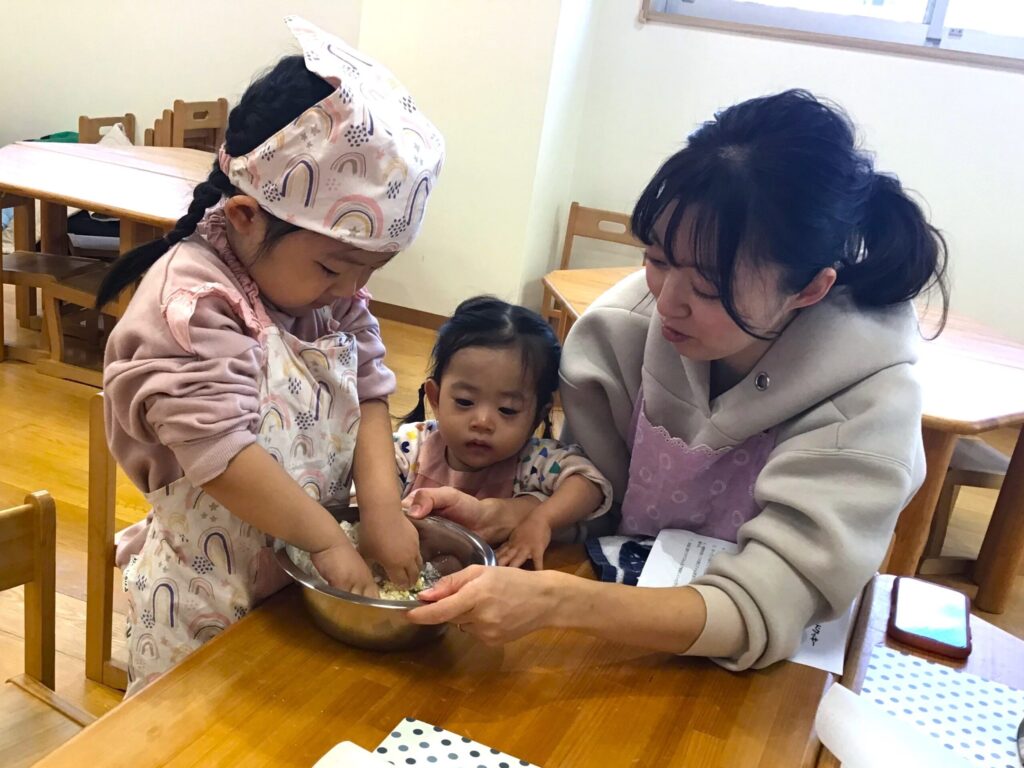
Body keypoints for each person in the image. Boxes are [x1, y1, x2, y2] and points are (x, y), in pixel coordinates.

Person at [406, 89, 948, 670]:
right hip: (624, 648)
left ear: (810, 288)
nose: (668, 302)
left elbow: (763, 606)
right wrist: (526, 512)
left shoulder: (868, 398)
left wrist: (560, 602)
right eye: (659, 259)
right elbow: (601, 497)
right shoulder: (619, 332)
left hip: (758, 683)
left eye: (711, 286)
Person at [99, 16, 444, 693]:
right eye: (334, 268)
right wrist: (324, 539)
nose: (352, 293)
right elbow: (221, 454)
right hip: (206, 599)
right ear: (246, 217)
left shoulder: (324, 291)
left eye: (371, 273)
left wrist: (380, 505)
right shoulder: (193, 306)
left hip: (296, 575)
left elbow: (371, 384)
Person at [395, 296, 612, 570]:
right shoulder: (411, 446)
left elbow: (590, 484)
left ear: (537, 415)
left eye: (507, 410)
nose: (483, 422)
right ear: (435, 398)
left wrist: (541, 519)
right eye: (464, 402)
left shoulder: (533, 460)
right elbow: (367, 490)